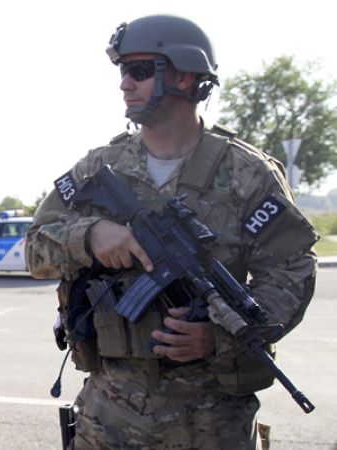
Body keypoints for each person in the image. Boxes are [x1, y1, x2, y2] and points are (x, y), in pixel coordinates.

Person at [26, 15, 317, 449]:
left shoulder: (248, 173)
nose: (125, 84)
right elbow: (34, 248)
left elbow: (290, 269)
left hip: (211, 418)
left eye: (139, 70)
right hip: (110, 411)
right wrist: (89, 236)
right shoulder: (97, 169)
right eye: (122, 71)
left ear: (184, 75)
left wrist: (217, 336)